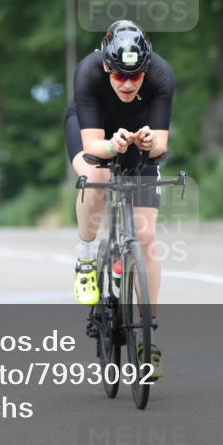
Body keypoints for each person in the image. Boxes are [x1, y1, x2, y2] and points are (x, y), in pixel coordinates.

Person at [63, 20, 174, 377]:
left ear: (146, 69)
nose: (127, 84)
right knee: (95, 175)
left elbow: (162, 144)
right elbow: (94, 145)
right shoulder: (88, 73)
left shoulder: (161, 75)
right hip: (94, 131)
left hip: (137, 133)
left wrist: (146, 143)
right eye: (120, 77)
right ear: (107, 67)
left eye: (135, 77)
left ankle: (147, 337)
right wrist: (113, 145)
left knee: (145, 239)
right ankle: (85, 258)